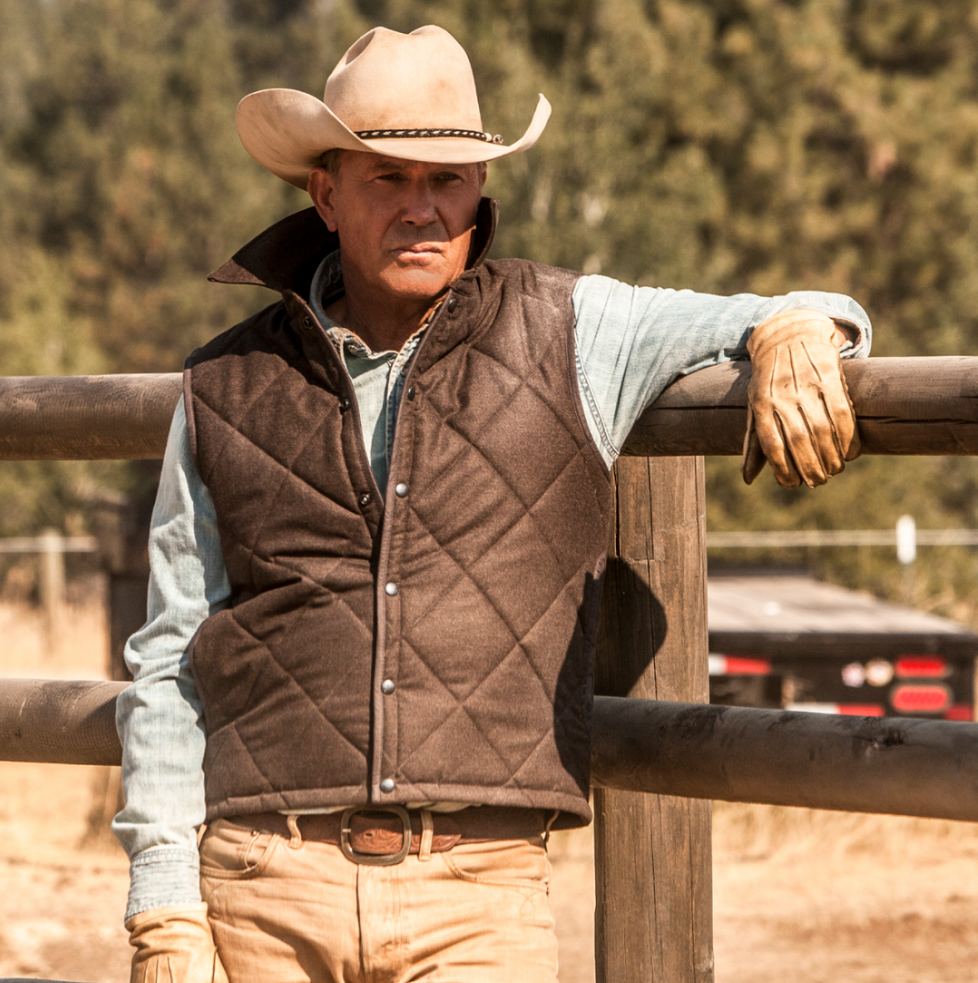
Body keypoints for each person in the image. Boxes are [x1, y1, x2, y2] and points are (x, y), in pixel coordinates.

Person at [113, 24, 871, 983]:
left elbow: (773, 310)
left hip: (478, 900)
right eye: (389, 177)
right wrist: (164, 906)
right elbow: (173, 653)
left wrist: (801, 327)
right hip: (258, 888)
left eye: (449, 181)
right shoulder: (224, 383)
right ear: (326, 192)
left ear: (480, 193)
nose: (422, 208)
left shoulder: (574, 327)